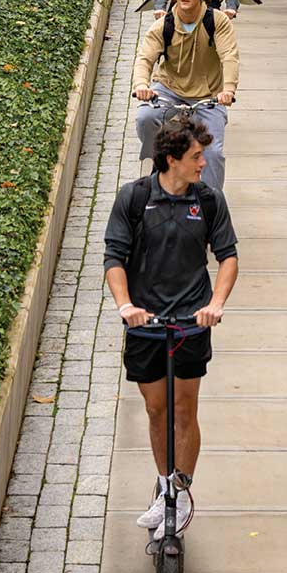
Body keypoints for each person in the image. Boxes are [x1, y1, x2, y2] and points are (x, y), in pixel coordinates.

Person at [104, 111, 238, 534]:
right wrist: (126, 306)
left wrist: (215, 303)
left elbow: (228, 257)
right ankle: (163, 487)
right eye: (197, 156)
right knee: (155, 408)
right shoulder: (134, 198)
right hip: (146, 323)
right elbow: (114, 259)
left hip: (190, 324)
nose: (203, 163)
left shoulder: (209, 200)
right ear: (171, 159)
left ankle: (180, 491)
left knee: (184, 409)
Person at [135, 0, 239, 190]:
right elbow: (145, 58)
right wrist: (142, 85)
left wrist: (228, 89)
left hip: (208, 94)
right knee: (145, 117)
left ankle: (211, 202)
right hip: (169, 88)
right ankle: (160, 159)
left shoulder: (216, 21)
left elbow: (229, 56)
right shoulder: (164, 25)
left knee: (212, 153)